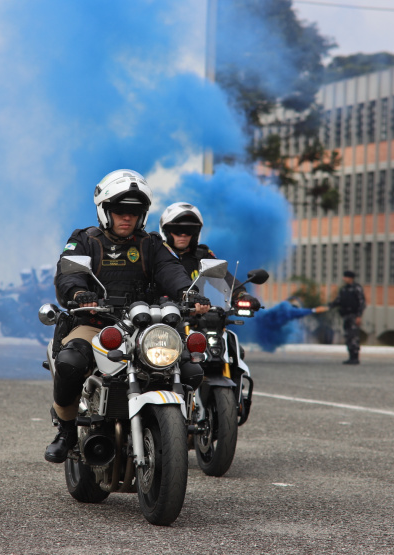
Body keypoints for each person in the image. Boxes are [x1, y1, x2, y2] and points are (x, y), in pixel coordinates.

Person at [46, 169, 210, 464]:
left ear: (142, 215)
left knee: (190, 366)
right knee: (71, 362)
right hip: (95, 323)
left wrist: (189, 292)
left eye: (133, 212)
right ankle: (67, 429)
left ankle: (174, 427)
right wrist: (77, 293)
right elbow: (67, 274)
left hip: (143, 325)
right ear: (105, 211)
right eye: (119, 211)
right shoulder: (84, 239)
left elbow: (170, 271)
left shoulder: (150, 244)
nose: (126, 217)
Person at [158, 202, 261, 310]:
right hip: (160, 316)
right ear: (166, 232)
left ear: (196, 234)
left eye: (189, 230)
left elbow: (224, 277)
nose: (183, 235)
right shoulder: (156, 253)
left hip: (197, 314)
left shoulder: (201, 255)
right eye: (177, 231)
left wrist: (241, 294)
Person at [328, 270, 366, 365]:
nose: (344, 279)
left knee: (354, 337)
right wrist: (329, 306)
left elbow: (362, 303)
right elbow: (338, 301)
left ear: (350, 278)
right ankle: (350, 357)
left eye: (346, 277)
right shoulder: (344, 289)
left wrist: (359, 316)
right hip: (346, 316)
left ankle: (355, 357)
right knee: (348, 336)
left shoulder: (357, 288)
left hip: (354, 316)